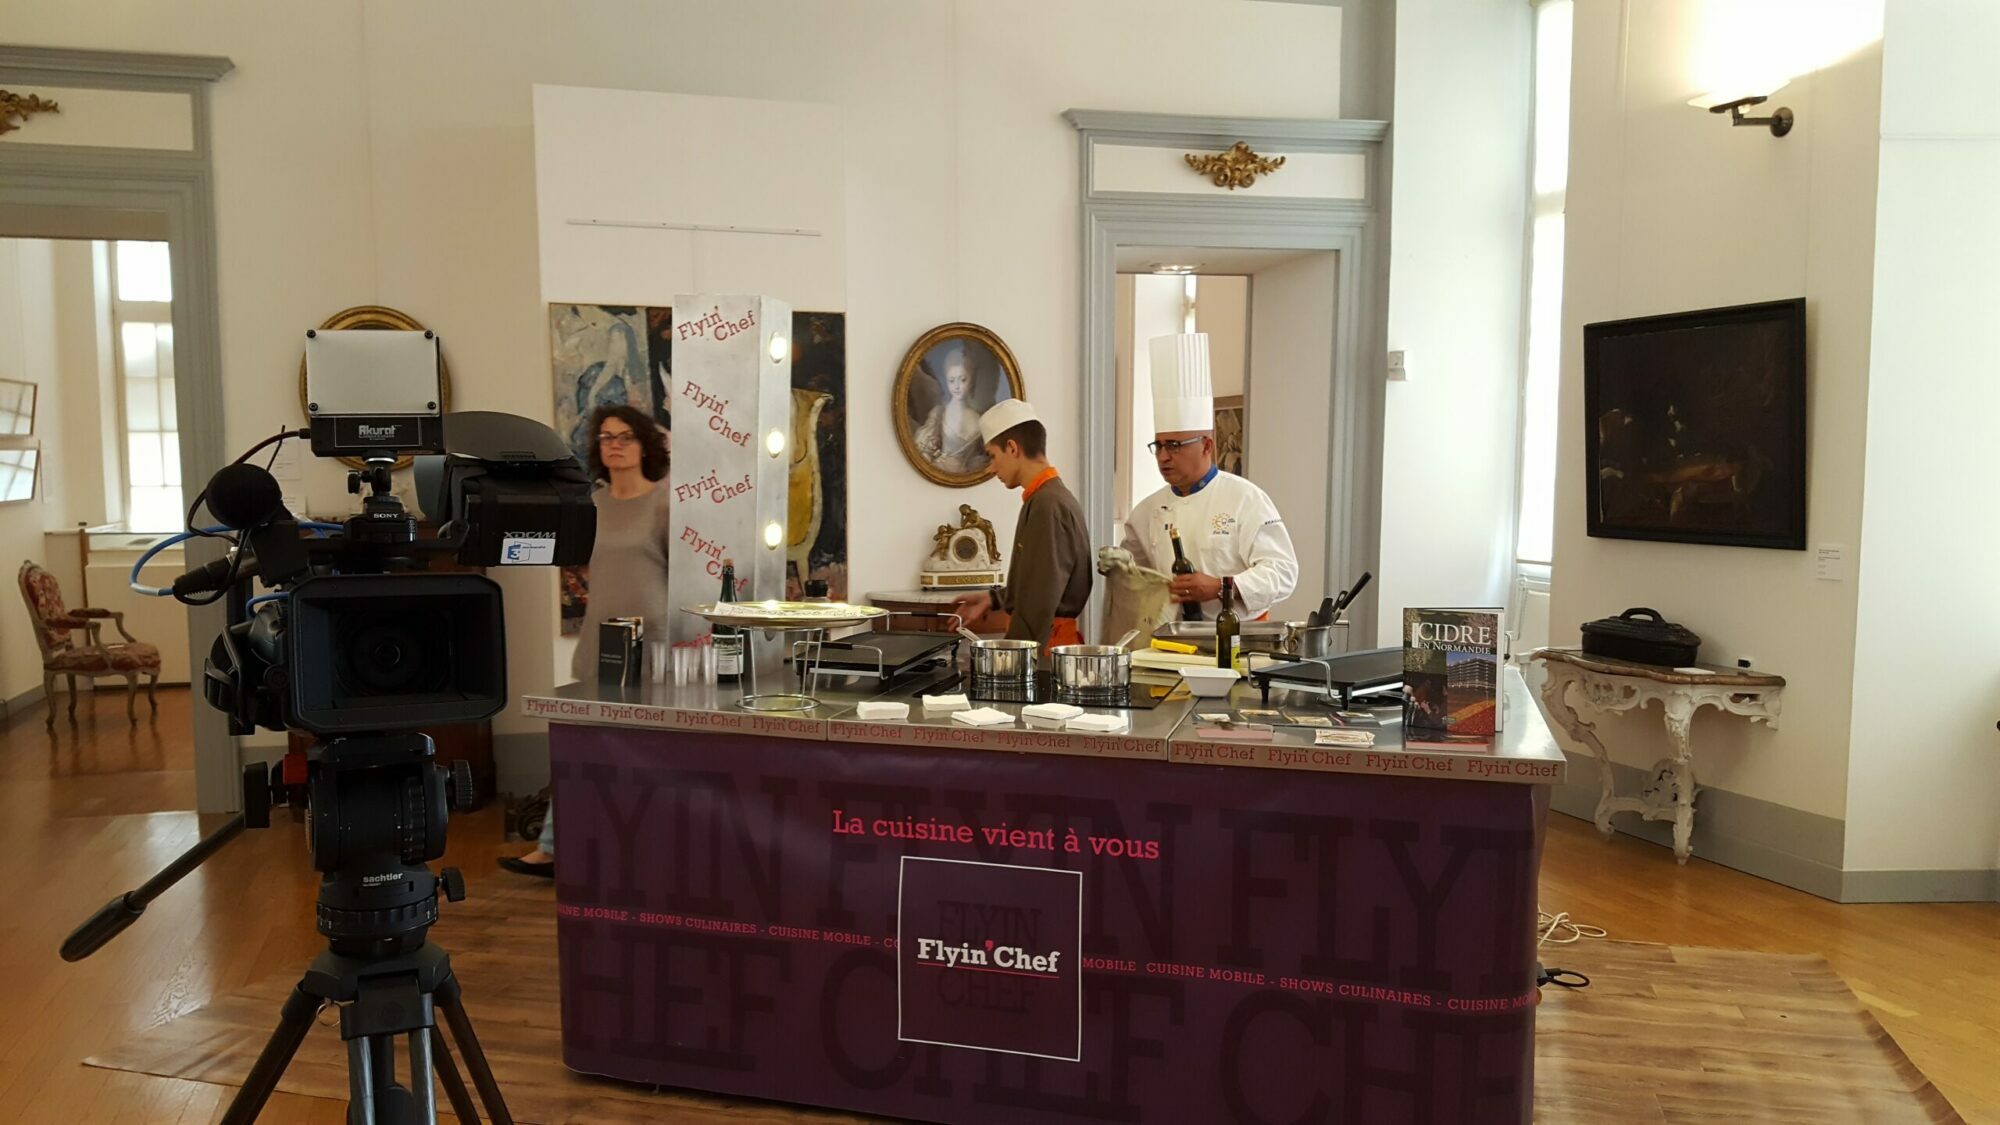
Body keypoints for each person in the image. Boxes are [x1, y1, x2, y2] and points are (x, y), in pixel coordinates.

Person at [500, 403, 671, 878]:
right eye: (606, 437)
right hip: (601, 640)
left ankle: (641, 852)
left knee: (649, 754)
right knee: (581, 746)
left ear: (644, 445)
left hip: (653, 641)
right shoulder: (591, 503)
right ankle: (553, 848)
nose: (614, 445)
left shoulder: (665, 503)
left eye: (624, 437)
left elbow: (685, 576)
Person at [1118, 332, 1298, 621]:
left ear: (1207, 446)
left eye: (1174, 446)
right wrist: (1116, 566)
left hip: (1237, 639)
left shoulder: (1245, 499)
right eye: (1159, 445)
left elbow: (1283, 571)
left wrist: (1221, 587)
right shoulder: (1146, 512)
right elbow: (1135, 578)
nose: (1163, 456)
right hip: (1170, 642)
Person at [951, 399, 1093, 650]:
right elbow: (1037, 583)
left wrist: (1011, 659)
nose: (992, 468)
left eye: (993, 456)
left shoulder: (1047, 505)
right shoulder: (1049, 497)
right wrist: (992, 599)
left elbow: (1038, 603)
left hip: (1045, 651)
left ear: (1012, 448)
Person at [913, 346, 989, 476]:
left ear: (972, 381)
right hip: (938, 476)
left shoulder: (981, 418)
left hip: (969, 481)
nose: (957, 386)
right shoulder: (939, 413)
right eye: (951, 380)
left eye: (963, 379)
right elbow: (923, 452)